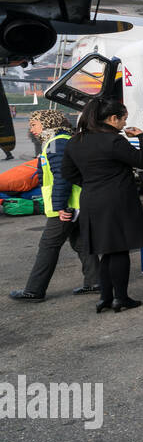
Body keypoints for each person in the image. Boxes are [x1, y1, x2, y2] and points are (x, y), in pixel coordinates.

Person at [62, 97, 143, 312]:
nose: (123, 125)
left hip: (91, 199)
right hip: (117, 200)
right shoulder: (113, 141)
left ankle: (105, 297)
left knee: (105, 251)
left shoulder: (75, 140)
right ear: (112, 118)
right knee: (119, 250)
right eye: (123, 120)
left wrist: (91, 183)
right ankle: (121, 298)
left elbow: (68, 173)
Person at [8, 109, 100, 302]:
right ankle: (95, 282)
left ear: (48, 123)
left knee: (48, 246)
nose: (31, 129)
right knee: (81, 243)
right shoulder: (62, 139)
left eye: (34, 124)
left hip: (67, 205)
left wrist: (59, 206)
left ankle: (34, 290)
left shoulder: (56, 143)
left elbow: (62, 176)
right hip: (76, 204)